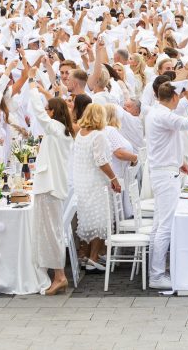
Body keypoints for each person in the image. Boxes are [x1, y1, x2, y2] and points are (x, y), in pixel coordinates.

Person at [145, 80, 188, 289]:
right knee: (165, 227)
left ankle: (155, 271)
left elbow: (167, 140)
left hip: (164, 171)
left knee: (159, 225)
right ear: (175, 97)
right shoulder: (163, 115)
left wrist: (180, 161)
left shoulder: (158, 111)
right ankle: (156, 276)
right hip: (165, 175)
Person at [26, 84, 73, 296]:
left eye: (48, 109)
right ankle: (53, 273)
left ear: (53, 113)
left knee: (52, 233)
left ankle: (60, 276)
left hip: (50, 188)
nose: (45, 112)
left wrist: (33, 88)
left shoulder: (56, 128)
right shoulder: (61, 130)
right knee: (48, 232)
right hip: (49, 187)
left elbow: (39, 114)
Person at [73, 104, 122, 273]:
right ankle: (93, 258)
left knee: (88, 220)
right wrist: (114, 178)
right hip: (96, 182)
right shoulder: (98, 136)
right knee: (101, 220)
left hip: (82, 182)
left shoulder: (80, 134)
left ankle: (86, 256)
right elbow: (101, 160)